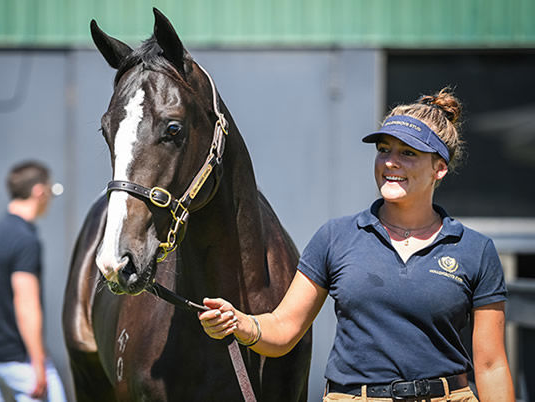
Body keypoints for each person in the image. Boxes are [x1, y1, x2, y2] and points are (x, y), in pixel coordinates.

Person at [199, 88, 515, 401]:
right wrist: (240, 323)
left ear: (439, 168)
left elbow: (491, 365)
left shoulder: (475, 249)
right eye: (384, 149)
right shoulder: (336, 237)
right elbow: (284, 329)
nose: (390, 162)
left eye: (408, 153)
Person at [0, 161, 66, 402]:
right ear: (39, 192)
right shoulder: (25, 241)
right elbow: (26, 306)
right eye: (51, 191)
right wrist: (38, 365)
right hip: (19, 365)